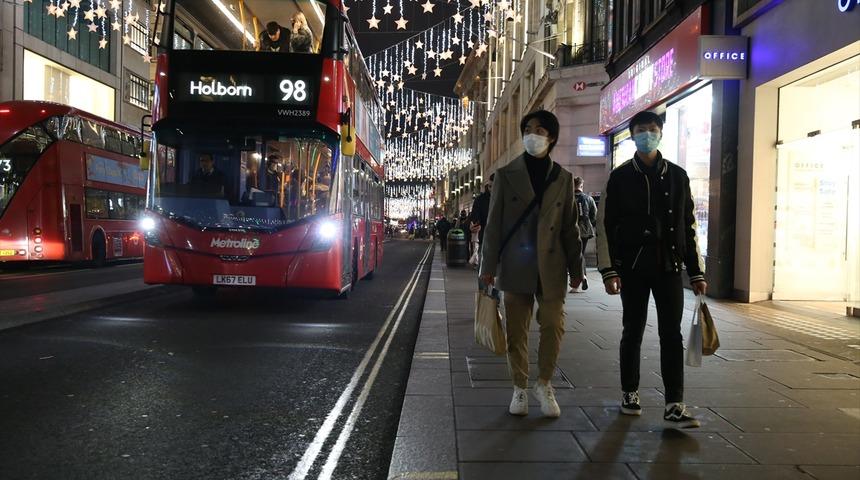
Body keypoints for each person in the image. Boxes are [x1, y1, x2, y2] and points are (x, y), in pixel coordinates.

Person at [595, 110, 707, 429]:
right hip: (632, 268)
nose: (648, 134)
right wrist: (609, 270)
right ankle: (630, 392)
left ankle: (675, 403)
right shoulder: (620, 177)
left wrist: (696, 272)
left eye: (653, 129)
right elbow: (607, 224)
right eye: (642, 130)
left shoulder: (677, 175)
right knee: (633, 330)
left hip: (669, 267)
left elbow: (688, 225)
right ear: (632, 135)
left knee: (671, 334)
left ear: (661, 133)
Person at [479, 110, 583, 418]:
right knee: (517, 329)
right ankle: (519, 387)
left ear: (551, 137)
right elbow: (494, 225)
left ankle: (544, 383)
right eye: (527, 129)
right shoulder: (506, 175)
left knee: (554, 324)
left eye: (539, 130)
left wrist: (577, 269)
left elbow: (570, 227)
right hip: (516, 263)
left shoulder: (563, 179)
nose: (532, 135)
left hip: (552, 265)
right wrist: (488, 266)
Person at [570, 176, 597, 292]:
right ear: (581, 186)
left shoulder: (568, 198)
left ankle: (578, 281)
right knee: (580, 254)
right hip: (585, 231)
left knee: (573, 256)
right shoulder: (589, 198)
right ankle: (582, 277)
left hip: (571, 230)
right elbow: (594, 216)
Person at [469, 173, 494, 247]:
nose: (491, 189)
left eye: (494, 186)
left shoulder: (504, 198)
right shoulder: (480, 200)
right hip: (485, 239)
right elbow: (475, 217)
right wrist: (476, 225)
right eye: (490, 186)